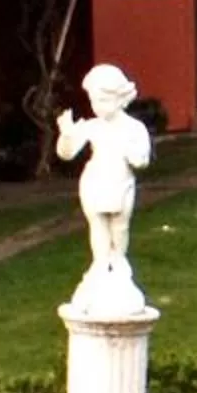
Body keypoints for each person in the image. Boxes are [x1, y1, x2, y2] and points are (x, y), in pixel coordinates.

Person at [55, 63, 152, 290]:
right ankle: (100, 261)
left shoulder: (134, 128)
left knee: (119, 224)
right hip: (95, 180)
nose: (98, 107)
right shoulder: (92, 126)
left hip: (121, 182)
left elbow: (142, 159)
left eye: (103, 100)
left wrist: (132, 152)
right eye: (94, 101)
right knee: (97, 223)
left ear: (120, 99)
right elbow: (66, 153)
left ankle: (118, 258)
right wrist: (67, 135)